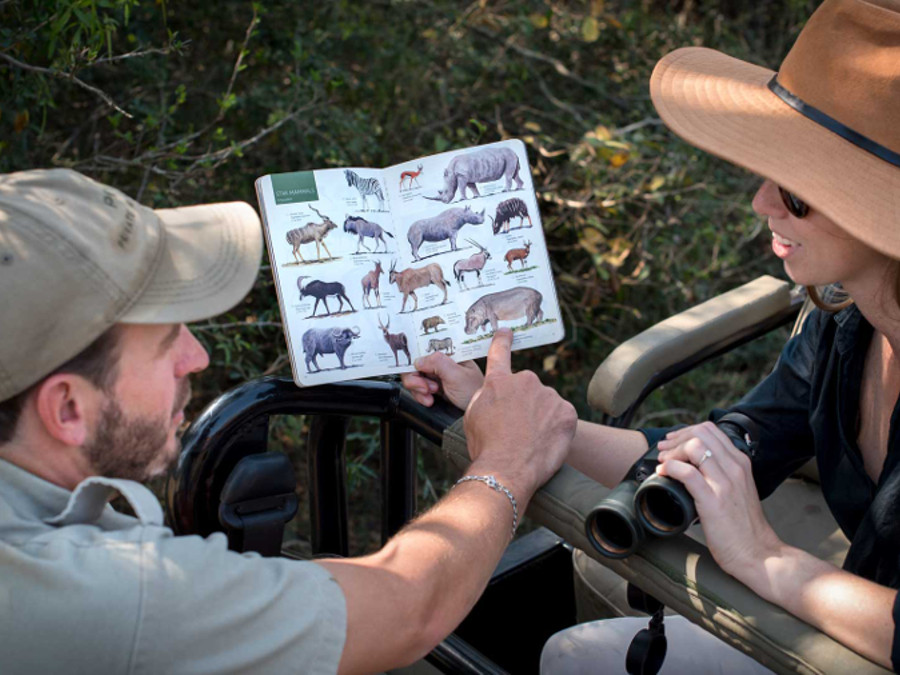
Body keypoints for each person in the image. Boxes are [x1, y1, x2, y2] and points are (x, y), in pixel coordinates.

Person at [403, 0, 900, 671]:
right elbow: (730, 442)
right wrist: (526, 418)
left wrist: (766, 556)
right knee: (573, 655)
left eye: (798, 192)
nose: (761, 202)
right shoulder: (845, 325)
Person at [0, 168, 578, 674]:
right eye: (166, 339)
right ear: (68, 409)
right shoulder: (109, 597)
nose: (197, 357)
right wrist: (507, 461)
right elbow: (411, 610)